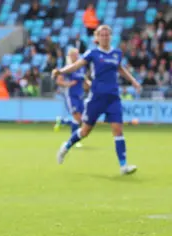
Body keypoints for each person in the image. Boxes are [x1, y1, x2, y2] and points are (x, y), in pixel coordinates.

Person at [53, 25, 142, 175]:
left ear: (111, 37)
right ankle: (66, 146)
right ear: (97, 38)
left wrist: (134, 81)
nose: (105, 37)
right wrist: (61, 71)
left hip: (113, 98)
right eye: (102, 35)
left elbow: (120, 69)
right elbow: (76, 65)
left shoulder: (116, 53)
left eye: (107, 35)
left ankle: (123, 166)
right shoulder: (93, 53)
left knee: (118, 130)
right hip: (96, 98)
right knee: (86, 130)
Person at [53, 48, 87, 148]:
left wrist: (88, 85)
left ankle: (62, 121)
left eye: (77, 55)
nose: (76, 57)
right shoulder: (67, 68)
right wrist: (68, 84)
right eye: (74, 55)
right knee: (78, 118)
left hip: (80, 95)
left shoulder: (81, 67)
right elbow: (59, 81)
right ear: (70, 56)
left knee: (81, 119)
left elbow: (83, 80)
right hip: (71, 96)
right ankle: (74, 140)